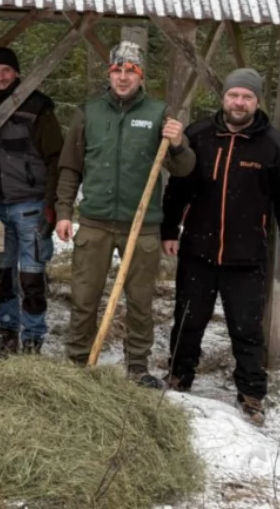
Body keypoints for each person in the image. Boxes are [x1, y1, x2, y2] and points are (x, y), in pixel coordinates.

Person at [161, 67, 280, 426]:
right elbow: (178, 189)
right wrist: (169, 229)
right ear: (223, 97)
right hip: (197, 249)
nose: (239, 102)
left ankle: (252, 392)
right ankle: (179, 376)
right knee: (188, 319)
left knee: (246, 327)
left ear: (256, 102)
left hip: (246, 255)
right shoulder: (199, 135)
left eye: (247, 97)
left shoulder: (273, 145)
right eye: (234, 95)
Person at [54, 40, 195, 388]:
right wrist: (63, 211)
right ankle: (77, 364)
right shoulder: (89, 112)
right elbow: (70, 167)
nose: (122, 77)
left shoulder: (159, 114)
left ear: (141, 76)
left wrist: (177, 143)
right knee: (84, 298)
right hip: (95, 224)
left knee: (140, 302)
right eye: (117, 69)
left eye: (130, 71)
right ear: (109, 72)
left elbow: (185, 169)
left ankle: (137, 368)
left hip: (141, 227)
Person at [0, 47, 63, 354]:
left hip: (30, 205)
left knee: (31, 276)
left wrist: (52, 204)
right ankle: (8, 332)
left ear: (17, 73)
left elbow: (56, 158)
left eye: (7, 70)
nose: (1, 76)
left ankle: (33, 337)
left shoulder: (37, 107)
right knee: (2, 273)